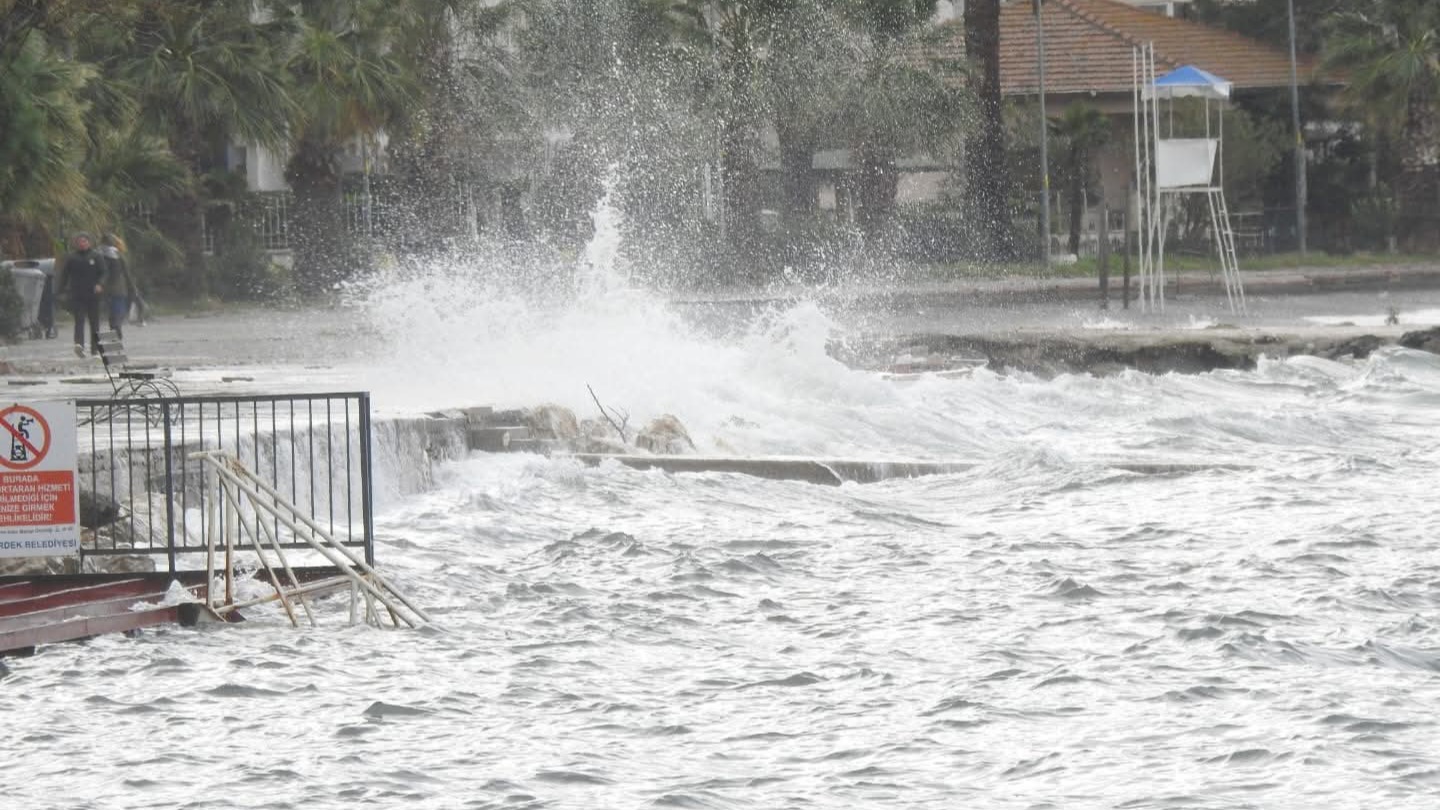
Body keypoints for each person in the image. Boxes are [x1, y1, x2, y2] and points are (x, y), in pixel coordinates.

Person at [58, 232, 105, 357]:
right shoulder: (72, 258)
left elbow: (104, 273)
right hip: (77, 295)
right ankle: (79, 345)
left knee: (94, 322)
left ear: (89, 242)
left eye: (84, 241)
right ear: (76, 244)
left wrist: (100, 284)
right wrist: (60, 291)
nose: (82, 244)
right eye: (79, 242)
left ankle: (95, 349)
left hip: (93, 295)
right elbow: (64, 275)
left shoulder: (96, 256)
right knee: (79, 320)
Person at [99, 233, 137, 337]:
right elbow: (126, 274)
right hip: (119, 288)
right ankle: (116, 328)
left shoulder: (98, 254)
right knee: (118, 311)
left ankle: (114, 329)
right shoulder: (118, 256)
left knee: (112, 313)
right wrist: (133, 288)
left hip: (104, 288)